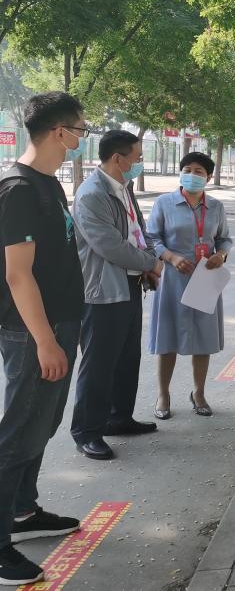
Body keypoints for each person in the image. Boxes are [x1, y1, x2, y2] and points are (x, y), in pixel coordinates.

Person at [0, 92, 87, 585]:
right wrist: (44, 341)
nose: (80, 139)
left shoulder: (48, 184)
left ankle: (22, 510)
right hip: (35, 333)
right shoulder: (18, 189)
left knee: (42, 425)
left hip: (61, 324)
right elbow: (18, 275)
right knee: (17, 435)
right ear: (60, 132)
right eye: (80, 130)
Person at [70, 130, 163, 461]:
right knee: (99, 364)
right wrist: (151, 263)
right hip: (103, 292)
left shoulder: (124, 188)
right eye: (137, 158)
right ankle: (87, 432)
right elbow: (109, 245)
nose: (140, 163)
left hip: (131, 285)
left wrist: (151, 257)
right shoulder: (92, 194)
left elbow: (139, 231)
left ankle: (118, 418)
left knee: (126, 358)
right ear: (117, 159)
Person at [147, 152, 233, 419]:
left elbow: (224, 239)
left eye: (199, 171)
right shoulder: (164, 203)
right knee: (168, 338)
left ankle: (199, 393)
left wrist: (221, 255)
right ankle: (163, 394)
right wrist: (171, 257)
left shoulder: (216, 207)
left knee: (203, 339)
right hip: (174, 278)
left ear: (208, 177)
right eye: (187, 170)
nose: (192, 175)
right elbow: (152, 239)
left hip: (205, 278)